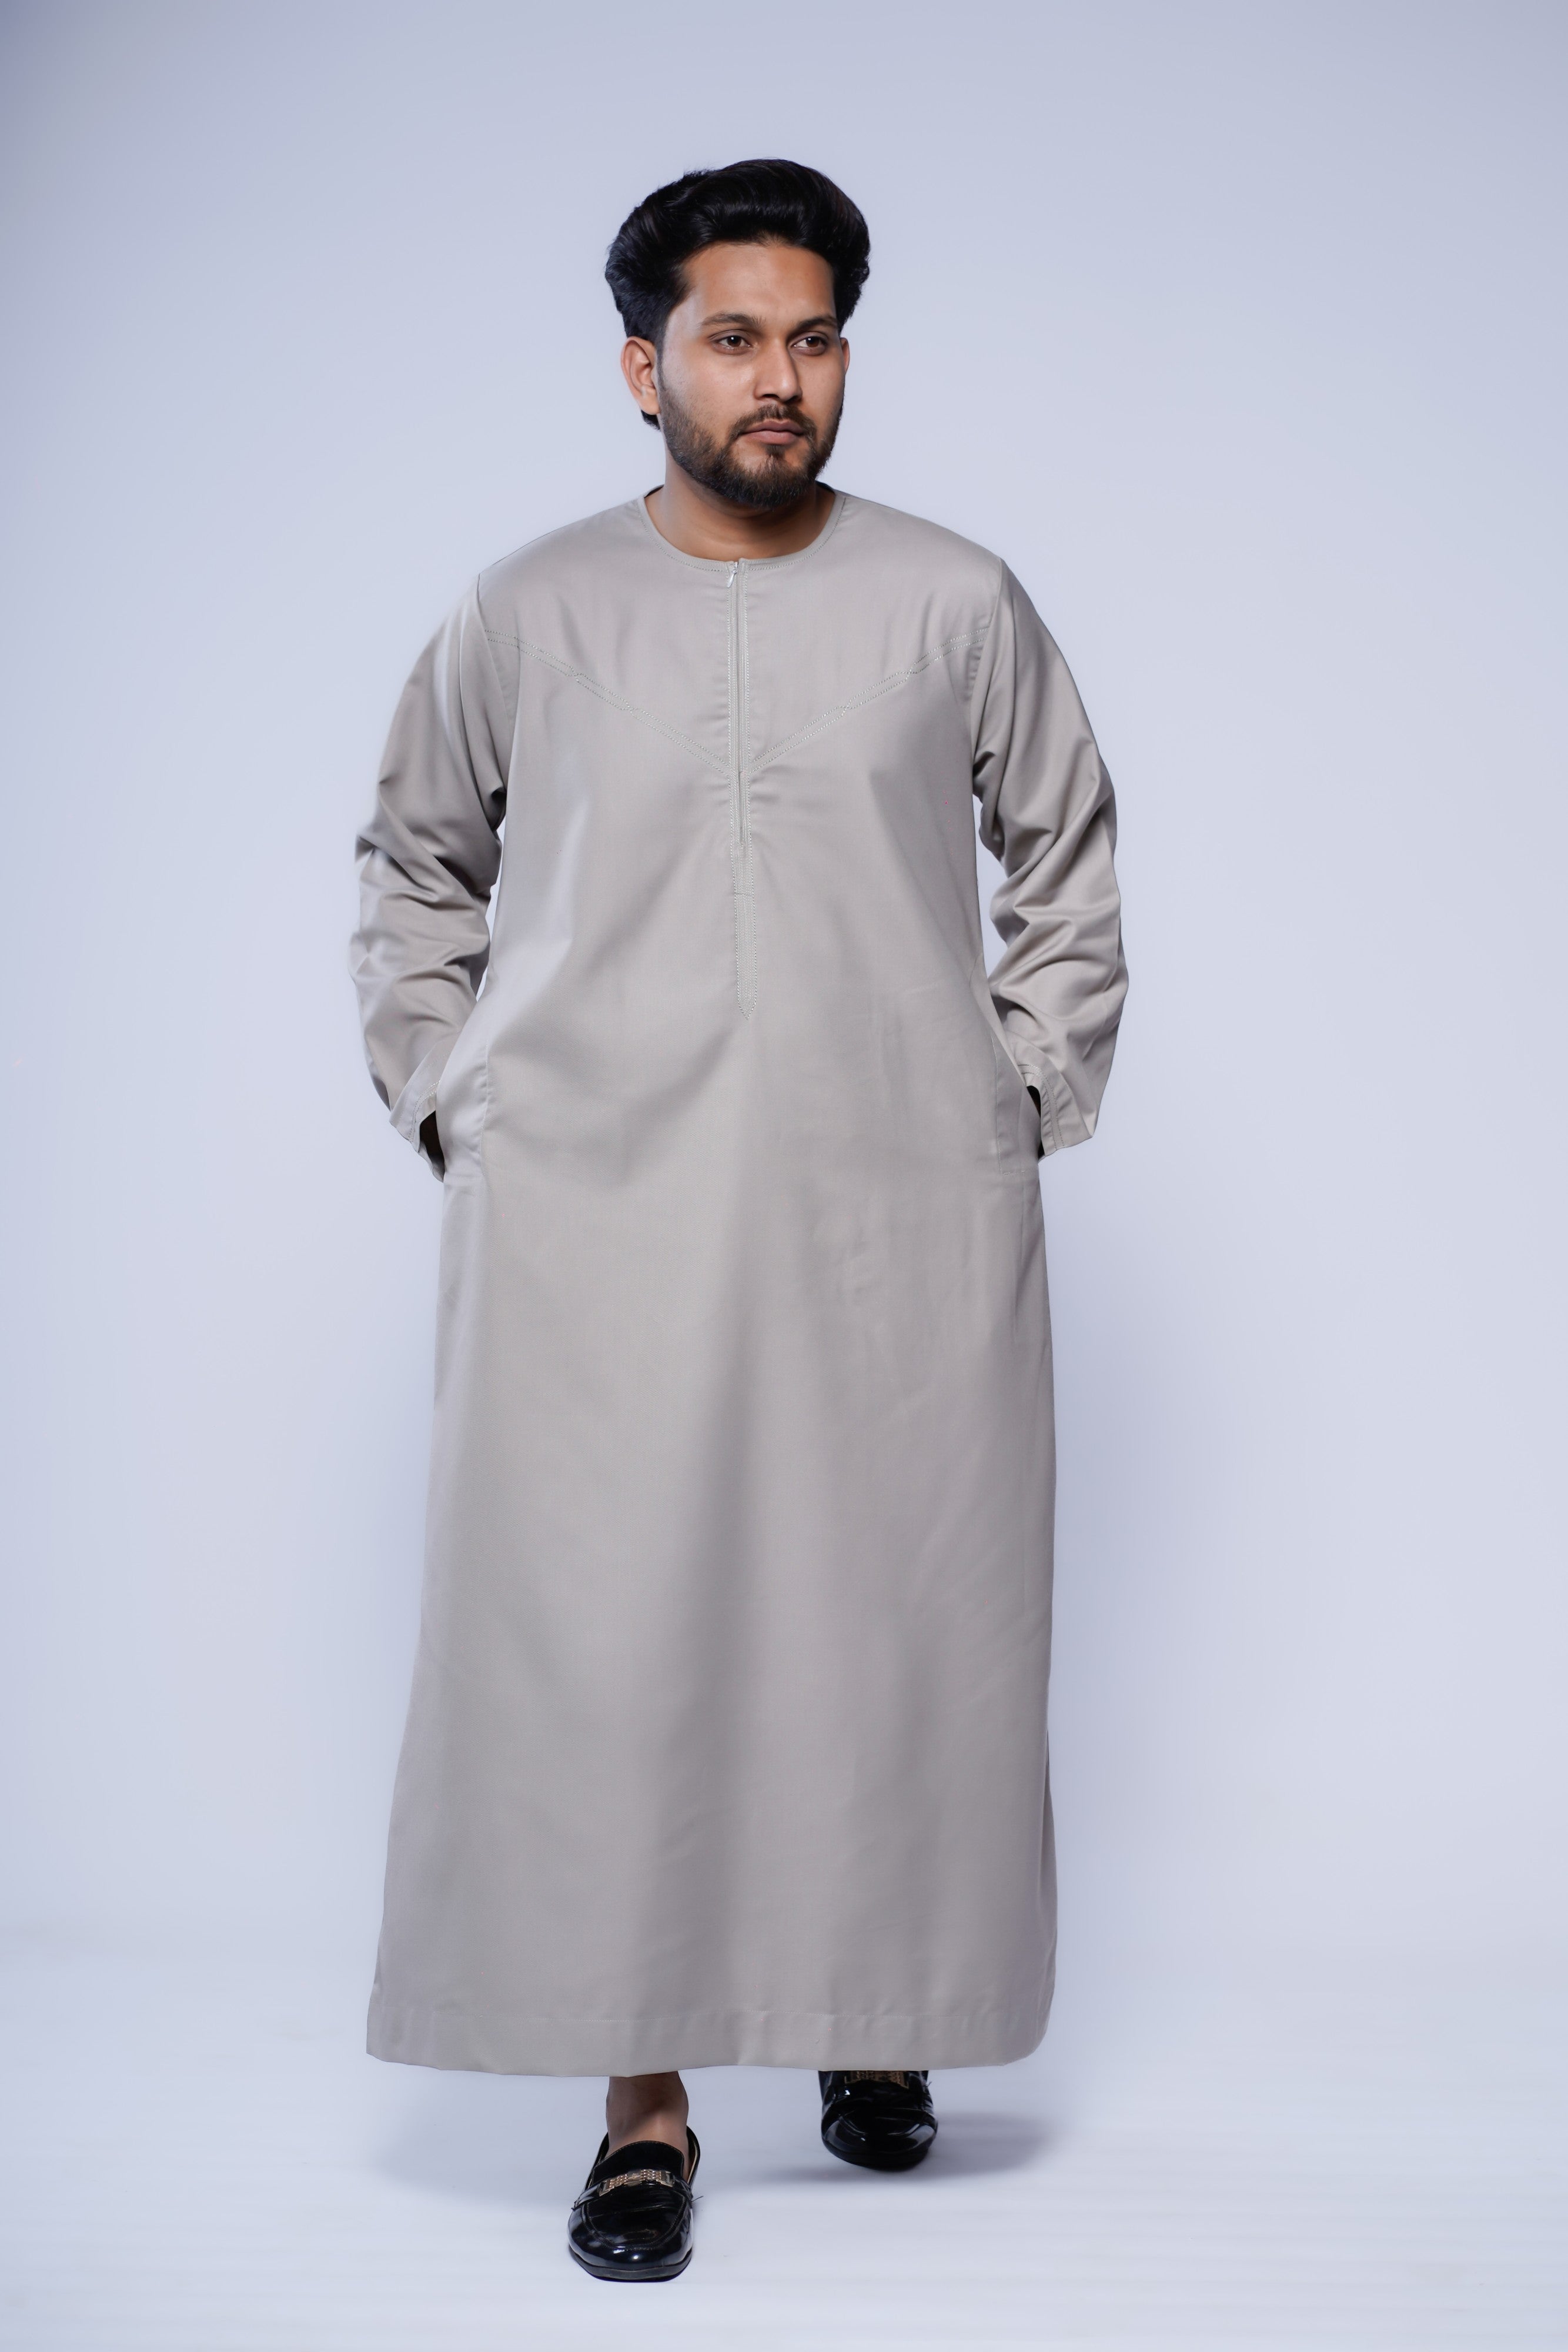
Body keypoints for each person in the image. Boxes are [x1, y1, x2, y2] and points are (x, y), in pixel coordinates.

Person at [349, 158, 1127, 2284]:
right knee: (620, 1633)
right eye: (730, 339)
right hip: (594, 1214)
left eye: (812, 337)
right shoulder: (528, 608)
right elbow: (415, 862)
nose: (777, 379)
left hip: (896, 1204)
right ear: (644, 368)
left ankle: (875, 2012)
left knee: (895, 1613)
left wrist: (1018, 1087)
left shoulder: (953, 598)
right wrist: (448, 1086)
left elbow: (1063, 851)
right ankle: (645, 2104)